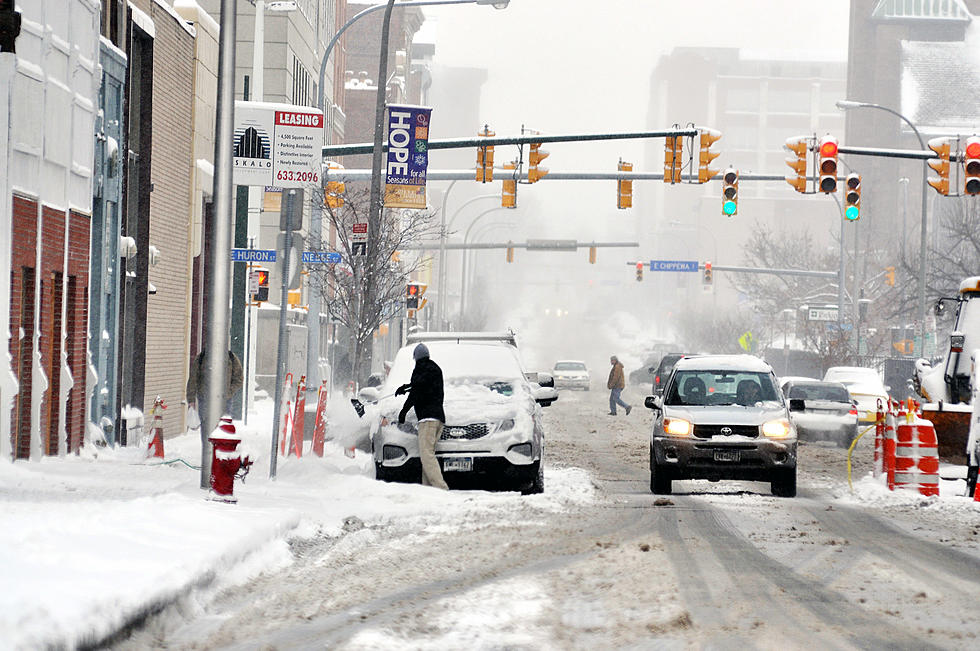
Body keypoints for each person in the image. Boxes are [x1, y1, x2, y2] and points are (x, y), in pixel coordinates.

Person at [395, 344, 448, 490]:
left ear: (416, 358)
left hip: (427, 419)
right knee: (428, 455)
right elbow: (421, 386)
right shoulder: (434, 368)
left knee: (427, 456)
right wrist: (405, 387)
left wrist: (404, 411)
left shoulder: (420, 369)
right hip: (438, 418)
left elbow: (416, 392)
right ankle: (428, 490)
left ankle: (441, 488)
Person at [186, 348, 244, 417]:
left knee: (223, 424)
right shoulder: (202, 357)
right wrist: (191, 399)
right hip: (205, 399)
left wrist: (229, 391)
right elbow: (193, 379)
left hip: (224, 400)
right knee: (206, 424)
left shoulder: (231, 357)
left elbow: (239, 378)